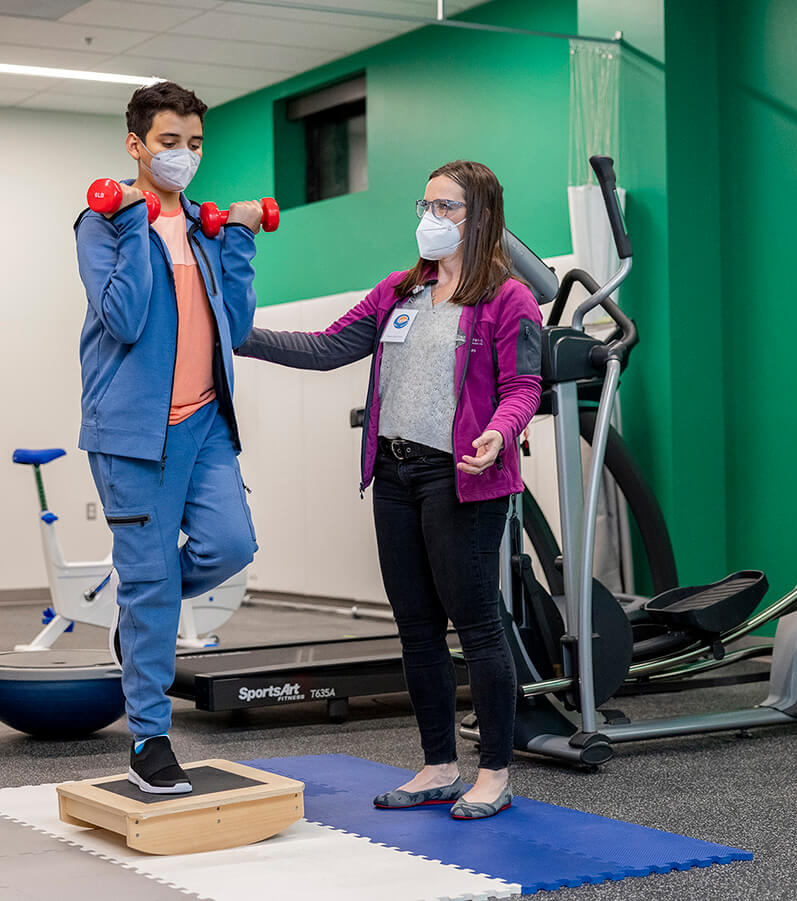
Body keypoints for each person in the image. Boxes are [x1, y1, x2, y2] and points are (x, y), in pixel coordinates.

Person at [237, 160, 542, 819]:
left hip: (463, 477)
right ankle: (437, 764)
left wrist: (498, 430)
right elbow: (322, 347)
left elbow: (523, 386)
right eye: (425, 204)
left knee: (479, 626)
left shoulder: (507, 299)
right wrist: (237, 335)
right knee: (415, 628)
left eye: (447, 207)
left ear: (481, 215)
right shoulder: (397, 293)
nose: (429, 218)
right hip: (396, 473)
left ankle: (494, 773)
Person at [74, 81, 263, 794]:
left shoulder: (210, 231)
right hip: (131, 435)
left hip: (206, 421)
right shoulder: (100, 223)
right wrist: (135, 225)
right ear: (135, 146)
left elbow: (236, 328)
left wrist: (239, 236)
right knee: (151, 581)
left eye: (194, 144)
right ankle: (150, 740)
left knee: (232, 545)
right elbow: (123, 317)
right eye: (168, 142)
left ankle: (139, 618)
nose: (183, 156)